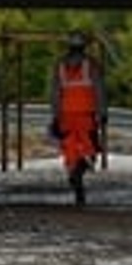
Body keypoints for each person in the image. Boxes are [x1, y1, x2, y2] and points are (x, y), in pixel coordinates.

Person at [47, 31, 106, 205]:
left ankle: (75, 174)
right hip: (87, 115)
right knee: (91, 149)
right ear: (84, 46)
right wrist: (102, 112)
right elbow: (99, 90)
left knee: (70, 150)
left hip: (66, 115)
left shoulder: (60, 66)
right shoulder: (91, 65)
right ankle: (78, 173)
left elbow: (55, 93)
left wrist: (55, 116)